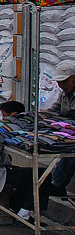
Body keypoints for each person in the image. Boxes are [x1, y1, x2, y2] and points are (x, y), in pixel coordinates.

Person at [48, 60, 75, 195]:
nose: (61, 85)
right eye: (59, 82)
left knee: (70, 149)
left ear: (74, 79)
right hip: (68, 130)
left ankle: (58, 183)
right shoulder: (63, 93)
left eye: (64, 82)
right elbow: (54, 109)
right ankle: (55, 181)